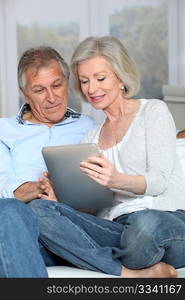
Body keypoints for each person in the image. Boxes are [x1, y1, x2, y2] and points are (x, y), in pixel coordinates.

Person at [28, 36, 185, 278]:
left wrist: (116, 179)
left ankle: (86, 255)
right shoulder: (90, 137)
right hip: (116, 230)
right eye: (84, 81)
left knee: (143, 227)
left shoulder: (152, 111)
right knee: (39, 210)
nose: (92, 89)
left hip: (161, 221)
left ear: (120, 76)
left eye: (100, 78)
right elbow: (93, 209)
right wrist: (61, 201)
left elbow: (159, 181)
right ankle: (130, 272)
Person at [0, 46, 95, 277]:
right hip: (21, 230)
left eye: (56, 85)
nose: (51, 98)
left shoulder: (89, 126)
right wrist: (40, 188)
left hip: (70, 233)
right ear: (25, 93)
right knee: (10, 211)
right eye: (39, 90)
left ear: (68, 82)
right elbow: (2, 186)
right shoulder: (4, 130)